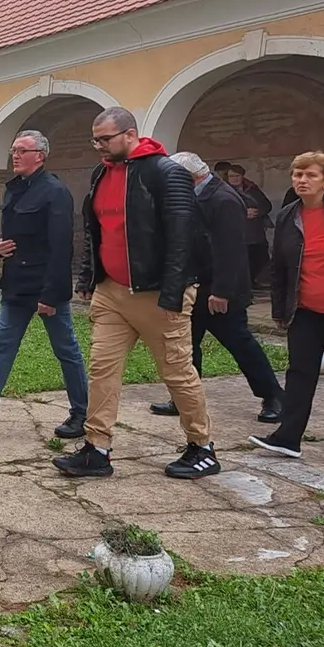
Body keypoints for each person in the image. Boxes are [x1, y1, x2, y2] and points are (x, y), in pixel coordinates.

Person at [55, 107, 220, 480]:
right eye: (94, 139)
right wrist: (88, 276)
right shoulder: (102, 173)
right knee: (102, 369)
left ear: (130, 135)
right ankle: (97, 448)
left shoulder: (166, 172)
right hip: (111, 291)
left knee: (176, 371)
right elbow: (96, 231)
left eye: (105, 139)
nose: (98, 146)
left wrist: (174, 293)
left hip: (157, 290)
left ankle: (202, 446)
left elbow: (184, 238)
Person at [0, 130, 88, 439]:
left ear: (40, 155)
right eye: (13, 151)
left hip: (45, 287)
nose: (15, 156)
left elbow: (62, 247)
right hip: (16, 284)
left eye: (22, 151)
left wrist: (51, 294)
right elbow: (12, 236)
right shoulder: (14, 189)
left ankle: (81, 412)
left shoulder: (54, 191)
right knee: (2, 347)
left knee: (66, 350)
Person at [149, 154, 284, 421]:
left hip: (221, 289)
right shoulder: (194, 195)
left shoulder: (223, 199)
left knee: (240, 344)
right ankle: (185, 397)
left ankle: (274, 396)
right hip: (196, 285)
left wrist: (221, 291)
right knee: (186, 346)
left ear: (190, 176)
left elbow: (230, 249)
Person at [249, 151, 324, 459]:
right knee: (299, 374)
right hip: (306, 310)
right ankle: (288, 438)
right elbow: (280, 266)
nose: (302, 180)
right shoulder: (288, 215)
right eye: (297, 175)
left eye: (310, 175)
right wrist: (280, 310)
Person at [227, 165, 273, 288]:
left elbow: (267, 204)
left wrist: (258, 211)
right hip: (238, 232)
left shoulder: (252, 189)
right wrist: (243, 213)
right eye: (231, 176)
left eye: (237, 176)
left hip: (255, 231)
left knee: (261, 256)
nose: (235, 179)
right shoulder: (224, 190)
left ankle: (251, 280)